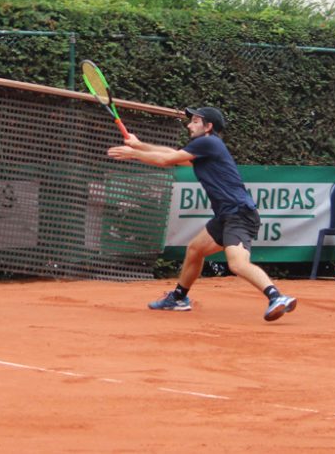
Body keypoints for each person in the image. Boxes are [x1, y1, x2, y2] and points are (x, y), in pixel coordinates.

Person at [107, 106, 297, 321]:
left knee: (237, 264)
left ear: (208, 127)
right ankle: (178, 298)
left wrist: (134, 153)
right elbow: (175, 156)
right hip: (225, 215)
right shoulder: (205, 148)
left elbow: (165, 161)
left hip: (239, 214)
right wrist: (140, 145)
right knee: (195, 250)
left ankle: (277, 297)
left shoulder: (209, 143)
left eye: (195, 121)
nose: (189, 125)